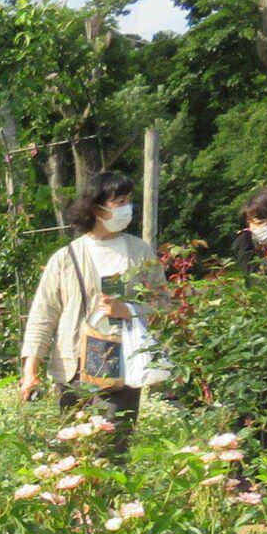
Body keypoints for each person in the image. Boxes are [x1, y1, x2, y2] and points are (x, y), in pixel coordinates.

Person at [18, 169, 165, 450]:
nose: (127, 208)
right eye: (119, 202)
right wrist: (30, 370)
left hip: (121, 367)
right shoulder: (65, 258)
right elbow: (42, 315)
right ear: (96, 208)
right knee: (73, 452)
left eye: (129, 200)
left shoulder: (140, 251)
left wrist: (130, 309)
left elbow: (165, 303)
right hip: (72, 368)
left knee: (112, 448)